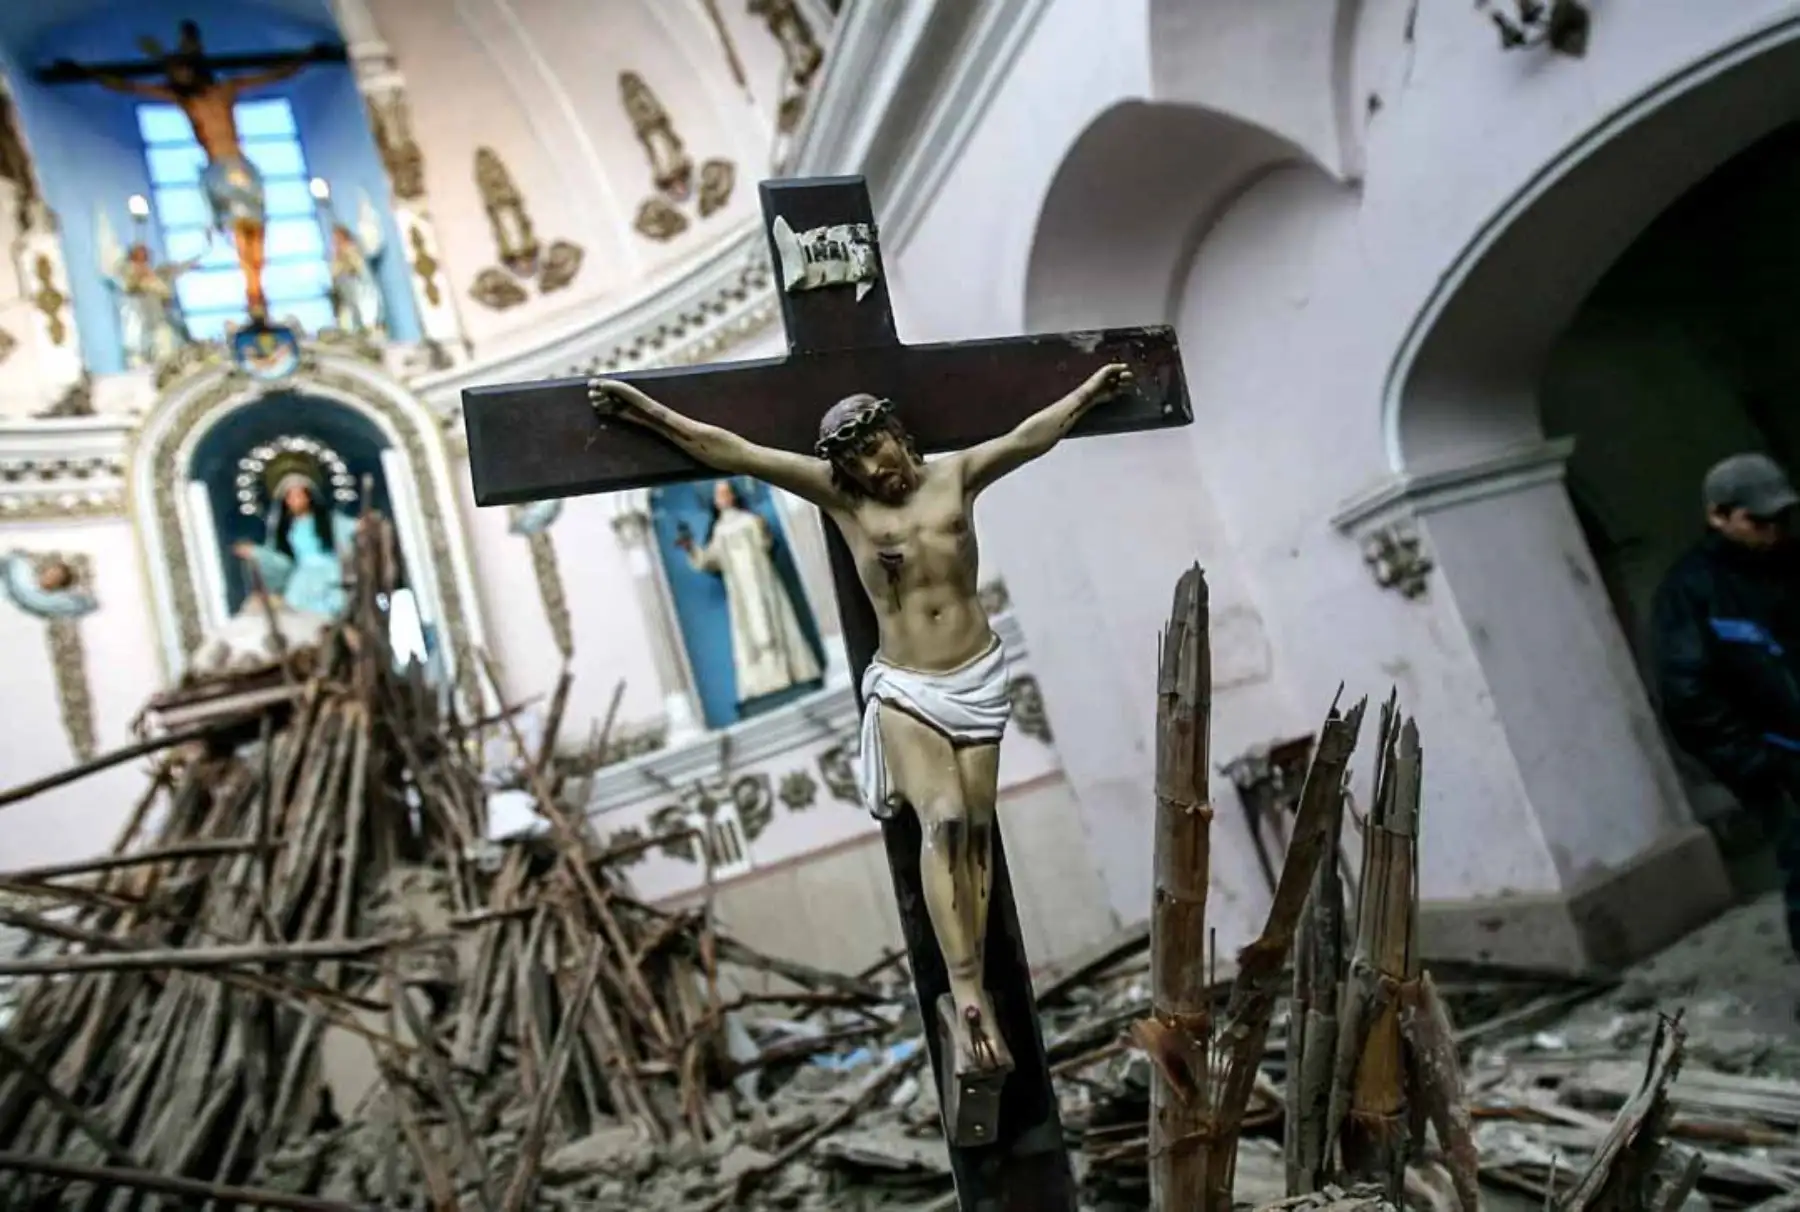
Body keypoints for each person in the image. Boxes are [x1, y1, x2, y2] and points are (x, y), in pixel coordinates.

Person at [588, 362, 1135, 1078]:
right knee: (939, 820)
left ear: (896, 435)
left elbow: (1032, 436)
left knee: (974, 829)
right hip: (909, 685)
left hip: (976, 674)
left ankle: (980, 987)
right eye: (854, 464)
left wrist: (1090, 392)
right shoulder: (844, 502)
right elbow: (734, 451)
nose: (873, 471)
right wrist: (647, 412)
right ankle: (968, 991)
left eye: (874, 451)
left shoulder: (957, 475)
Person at [1652, 452, 1800, 954]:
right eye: (1758, 521)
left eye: (1782, 518)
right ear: (1719, 515)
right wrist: (1762, 766)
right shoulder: (1693, 591)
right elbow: (1688, 695)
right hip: (1779, 762)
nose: (1773, 531)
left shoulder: (1789, 564)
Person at [87, 22, 327, 320]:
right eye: (174, 73)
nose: (179, 76)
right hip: (217, 171)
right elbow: (129, 86)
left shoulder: (225, 90)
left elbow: (273, 75)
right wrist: (88, 72)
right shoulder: (183, 100)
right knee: (237, 229)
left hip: (241, 166)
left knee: (257, 228)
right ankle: (253, 293)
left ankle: (257, 290)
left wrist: (306, 57)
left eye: (183, 70)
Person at [677, 479, 822, 708]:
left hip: (763, 582)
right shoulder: (720, 531)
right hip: (741, 592)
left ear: (733, 496)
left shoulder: (750, 521)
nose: (723, 498)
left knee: (775, 621)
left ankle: (794, 673)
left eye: (726, 493)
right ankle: (760, 685)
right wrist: (691, 548)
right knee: (749, 634)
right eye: (719, 495)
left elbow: (766, 544)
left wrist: (763, 529)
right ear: (714, 501)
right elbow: (710, 560)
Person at [233, 466, 357, 619]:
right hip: (302, 578)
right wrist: (255, 552)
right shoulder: (286, 529)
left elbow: (352, 528)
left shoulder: (329, 521)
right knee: (296, 611)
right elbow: (278, 559)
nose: (295, 500)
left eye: (299, 495)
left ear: (308, 496)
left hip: (331, 573)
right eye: (290, 497)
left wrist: (364, 525)